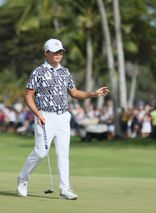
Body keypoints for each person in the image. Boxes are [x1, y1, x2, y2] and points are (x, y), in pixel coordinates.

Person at [16, 38, 110, 200]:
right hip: (45, 116)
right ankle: (22, 178)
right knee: (41, 153)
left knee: (63, 153)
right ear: (46, 53)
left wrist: (93, 94)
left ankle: (65, 188)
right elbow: (28, 96)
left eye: (60, 52)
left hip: (63, 117)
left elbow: (74, 93)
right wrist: (38, 114)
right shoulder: (38, 72)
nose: (58, 55)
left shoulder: (65, 72)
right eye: (54, 52)